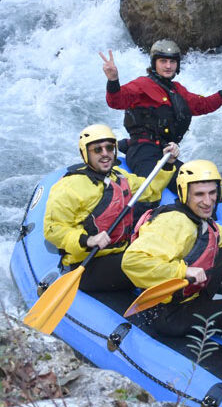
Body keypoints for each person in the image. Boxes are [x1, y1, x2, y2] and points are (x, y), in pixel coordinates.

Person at [121, 160, 222, 337]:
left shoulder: (196, 218)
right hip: (170, 312)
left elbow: (218, 234)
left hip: (193, 292)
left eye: (212, 193)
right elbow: (132, 261)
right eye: (199, 194)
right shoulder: (173, 223)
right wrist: (184, 270)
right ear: (184, 193)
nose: (207, 201)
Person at [43, 124, 179, 292]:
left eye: (109, 148)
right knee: (148, 265)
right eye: (97, 150)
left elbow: (150, 190)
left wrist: (167, 163)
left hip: (121, 250)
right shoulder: (68, 187)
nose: (105, 154)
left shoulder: (119, 176)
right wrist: (88, 240)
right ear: (85, 153)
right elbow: (53, 230)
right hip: (88, 264)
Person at [100, 40, 222, 180]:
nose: (168, 66)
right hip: (143, 151)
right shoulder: (142, 84)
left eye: (172, 61)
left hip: (166, 152)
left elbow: (205, 104)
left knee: (193, 182)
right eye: (163, 61)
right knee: (151, 193)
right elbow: (116, 101)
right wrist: (113, 80)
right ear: (154, 63)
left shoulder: (178, 90)